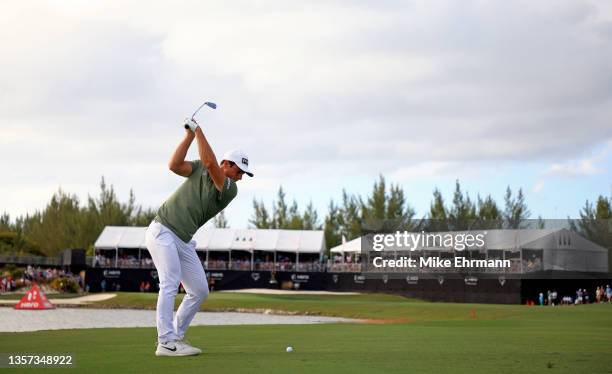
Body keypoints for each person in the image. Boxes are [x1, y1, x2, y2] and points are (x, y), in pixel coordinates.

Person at [145, 117, 253, 357]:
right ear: (228, 163)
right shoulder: (200, 167)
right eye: (239, 170)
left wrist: (199, 130)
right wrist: (189, 137)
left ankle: (176, 336)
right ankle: (165, 342)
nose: (240, 177)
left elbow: (210, 162)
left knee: (199, 290)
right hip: (162, 229)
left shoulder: (229, 188)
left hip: (182, 239)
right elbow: (174, 165)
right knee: (170, 282)